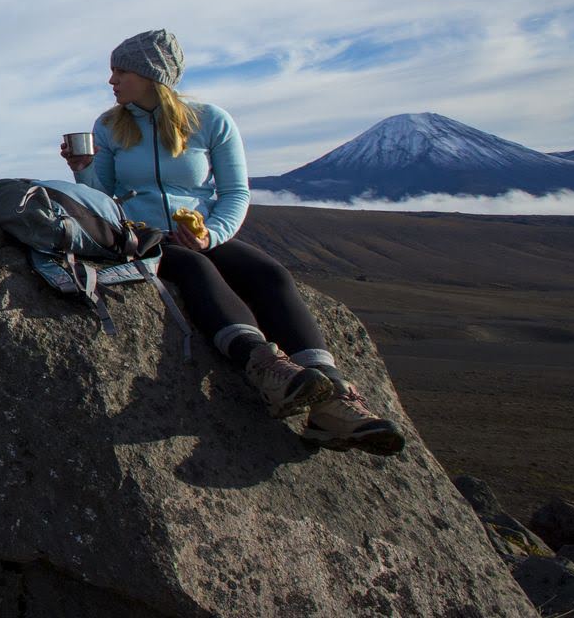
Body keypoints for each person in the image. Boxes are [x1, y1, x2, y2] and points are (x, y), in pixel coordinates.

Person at [61, 29, 404, 455]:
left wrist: (211, 235)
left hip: (199, 232)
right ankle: (265, 366)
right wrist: (83, 168)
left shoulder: (211, 120)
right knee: (193, 269)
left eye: (121, 71)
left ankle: (332, 401)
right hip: (142, 234)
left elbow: (235, 192)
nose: (111, 81)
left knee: (269, 273)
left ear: (152, 75)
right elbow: (103, 195)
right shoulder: (110, 125)